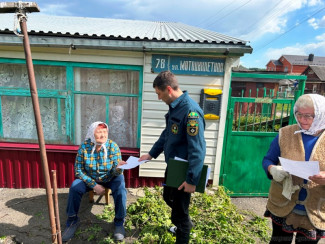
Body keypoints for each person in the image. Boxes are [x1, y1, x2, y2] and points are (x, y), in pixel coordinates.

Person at [139, 71, 206, 244]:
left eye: (159, 94)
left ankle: (183, 229)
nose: (158, 98)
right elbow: (167, 134)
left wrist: (192, 180)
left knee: (179, 212)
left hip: (184, 171)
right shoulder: (176, 107)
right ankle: (183, 224)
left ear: (168, 89)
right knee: (168, 197)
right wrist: (151, 154)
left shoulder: (191, 112)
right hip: (174, 166)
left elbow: (197, 149)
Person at [262, 94, 325, 243]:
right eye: (299, 114)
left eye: (309, 116)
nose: (302, 120)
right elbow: (268, 159)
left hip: (315, 209)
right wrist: (272, 169)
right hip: (283, 204)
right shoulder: (285, 133)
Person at [62, 121, 127, 242]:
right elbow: (78, 170)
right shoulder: (84, 147)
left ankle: (119, 222)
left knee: (121, 186)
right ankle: (72, 221)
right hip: (90, 178)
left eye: (105, 132)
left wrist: (118, 168)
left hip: (109, 177)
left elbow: (116, 172)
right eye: (99, 132)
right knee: (75, 187)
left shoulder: (113, 146)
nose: (103, 135)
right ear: (92, 134)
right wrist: (94, 185)